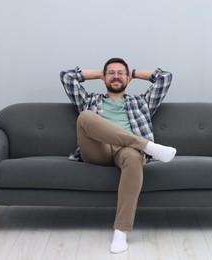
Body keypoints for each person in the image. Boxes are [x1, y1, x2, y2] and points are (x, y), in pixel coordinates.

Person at [60, 58, 176, 254]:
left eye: (120, 73)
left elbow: (165, 78)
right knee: (85, 116)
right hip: (98, 150)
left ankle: (121, 231)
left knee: (132, 157)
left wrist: (135, 72)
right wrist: (98, 73)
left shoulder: (141, 102)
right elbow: (67, 77)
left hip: (125, 152)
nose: (115, 76)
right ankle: (147, 146)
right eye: (111, 73)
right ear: (104, 78)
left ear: (128, 78)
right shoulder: (89, 100)